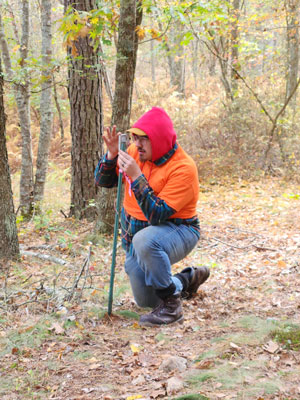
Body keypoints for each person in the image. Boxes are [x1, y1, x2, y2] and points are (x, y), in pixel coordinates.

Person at [95, 107, 209, 326]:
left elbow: (157, 215)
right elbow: (104, 182)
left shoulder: (183, 168)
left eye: (143, 140)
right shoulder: (136, 153)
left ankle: (172, 308)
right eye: (135, 139)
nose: (136, 145)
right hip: (138, 236)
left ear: (159, 139)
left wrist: (136, 176)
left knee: (145, 241)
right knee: (146, 301)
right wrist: (110, 156)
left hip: (178, 230)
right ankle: (186, 280)